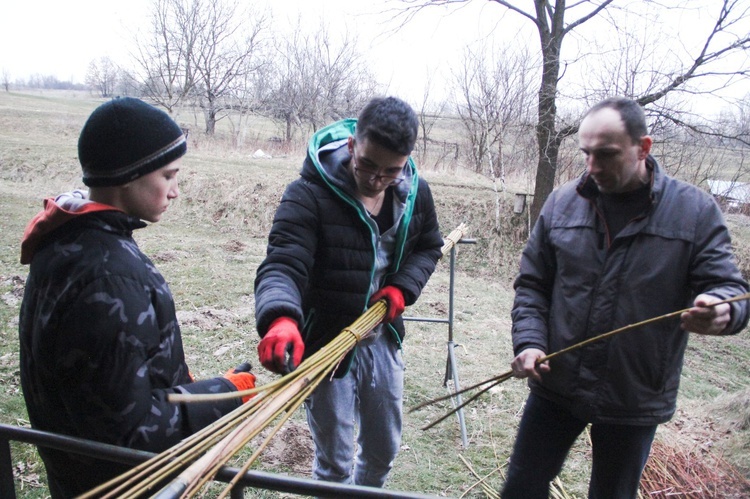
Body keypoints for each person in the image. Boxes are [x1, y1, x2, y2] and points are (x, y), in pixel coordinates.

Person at [502, 96, 750, 499]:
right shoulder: (563, 204)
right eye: (586, 154)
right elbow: (533, 285)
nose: (593, 167)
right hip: (557, 382)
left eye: (607, 154)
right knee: (522, 488)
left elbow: (732, 291)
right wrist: (530, 342)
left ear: (643, 147)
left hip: (632, 396)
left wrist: (722, 310)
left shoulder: (694, 211)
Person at [18, 97, 257, 498]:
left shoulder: (65, 242)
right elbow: (131, 435)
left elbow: (105, 387)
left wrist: (179, 380)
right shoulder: (109, 276)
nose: (176, 191)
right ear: (129, 175)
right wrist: (223, 396)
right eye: (168, 175)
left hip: (76, 480)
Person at [254, 96, 443, 487]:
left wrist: (401, 290)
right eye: (368, 165)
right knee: (335, 462)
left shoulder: (414, 192)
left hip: (381, 335)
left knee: (382, 450)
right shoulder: (307, 194)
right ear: (352, 144)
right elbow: (284, 263)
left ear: (407, 159)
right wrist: (281, 318)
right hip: (326, 341)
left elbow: (428, 246)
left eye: (390, 170)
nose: (376, 180)